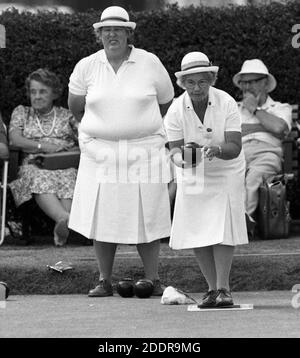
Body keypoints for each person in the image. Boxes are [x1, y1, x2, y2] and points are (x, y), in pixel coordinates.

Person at [68, 6, 174, 297]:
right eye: (106, 29)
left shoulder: (150, 62)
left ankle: (152, 279)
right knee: (102, 215)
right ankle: (104, 280)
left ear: (129, 33)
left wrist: (136, 127)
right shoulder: (86, 65)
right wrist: (106, 130)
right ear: (98, 34)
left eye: (118, 29)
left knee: (147, 216)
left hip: (144, 150)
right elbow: (75, 106)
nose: (111, 34)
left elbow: (166, 102)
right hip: (100, 151)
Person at [164, 52, 248, 307]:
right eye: (191, 82)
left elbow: (235, 145)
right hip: (192, 172)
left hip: (226, 169)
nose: (197, 87)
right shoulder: (175, 110)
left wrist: (217, 150)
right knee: (197, 229)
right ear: (183, 83)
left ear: (211, 80)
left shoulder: (227, 102)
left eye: (203, 81)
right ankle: (212, 290)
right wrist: (180, 161)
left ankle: (224, 288)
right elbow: (175, 150)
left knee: (222, 227)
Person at [9, 68, 78, 246]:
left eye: (42, 91)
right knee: (39, 176)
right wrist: (45, 147)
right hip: (34, 164)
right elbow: (15, 139)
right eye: (33, 92)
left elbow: (85, 139)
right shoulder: (22, 112)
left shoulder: (67, 115)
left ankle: (63, 226)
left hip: (63, 163)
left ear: (54, 93)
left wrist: (68, 151)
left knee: (70, 175)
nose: (37, 96)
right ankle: (65, 219)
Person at [233, 59, 292, 229]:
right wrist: (264, 125)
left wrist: (255, 110)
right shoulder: (234, 109)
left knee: (253, 177)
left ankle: (241, 225)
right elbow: (225, 133)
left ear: (265, 84)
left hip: (266, 154)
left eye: (253, 82)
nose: (247, 87)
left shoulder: (280, 107)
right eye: (244, 82)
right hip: (238, 153)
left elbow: (279, 127)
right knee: (225, 175)